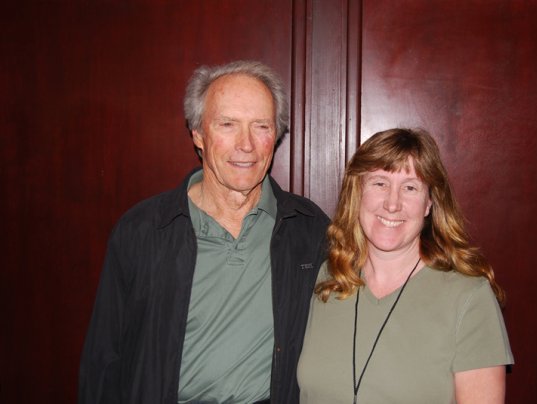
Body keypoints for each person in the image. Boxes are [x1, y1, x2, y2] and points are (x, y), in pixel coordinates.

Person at [79, 60, 330, 404]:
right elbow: (103, 362)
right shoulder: (143, 231)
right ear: (198, 134)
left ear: (276, 136)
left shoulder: (309, 230)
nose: (246, 145)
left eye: (261, 126)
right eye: (227, 124)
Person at [297, 128, 514, 403]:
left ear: (429, 204)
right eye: (379, 183)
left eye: (410, 187)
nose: (392, 203)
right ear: (358, 192)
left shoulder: (469, 298)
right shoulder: (326, 279)